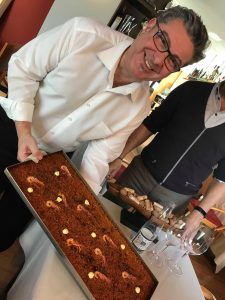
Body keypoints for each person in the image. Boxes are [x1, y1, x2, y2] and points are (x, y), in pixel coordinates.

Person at [0, 6, 209, 298]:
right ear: (149, 25)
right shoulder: (83, 33)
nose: (158, 59)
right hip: (10, 126)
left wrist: (78, 210)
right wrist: (23, 130)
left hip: (45, 164)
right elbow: (23, 66)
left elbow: (97, 160)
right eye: (163, 40)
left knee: (6, 229)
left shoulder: (138, 108)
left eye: (173, 60)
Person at [108, 80, 225, 238]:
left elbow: (222, 179)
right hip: (139, 174)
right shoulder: (191, 89)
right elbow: (150, 124)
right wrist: (120, 155)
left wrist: (200, 212)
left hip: (174, 200)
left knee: (139, 241)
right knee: (105, 212)